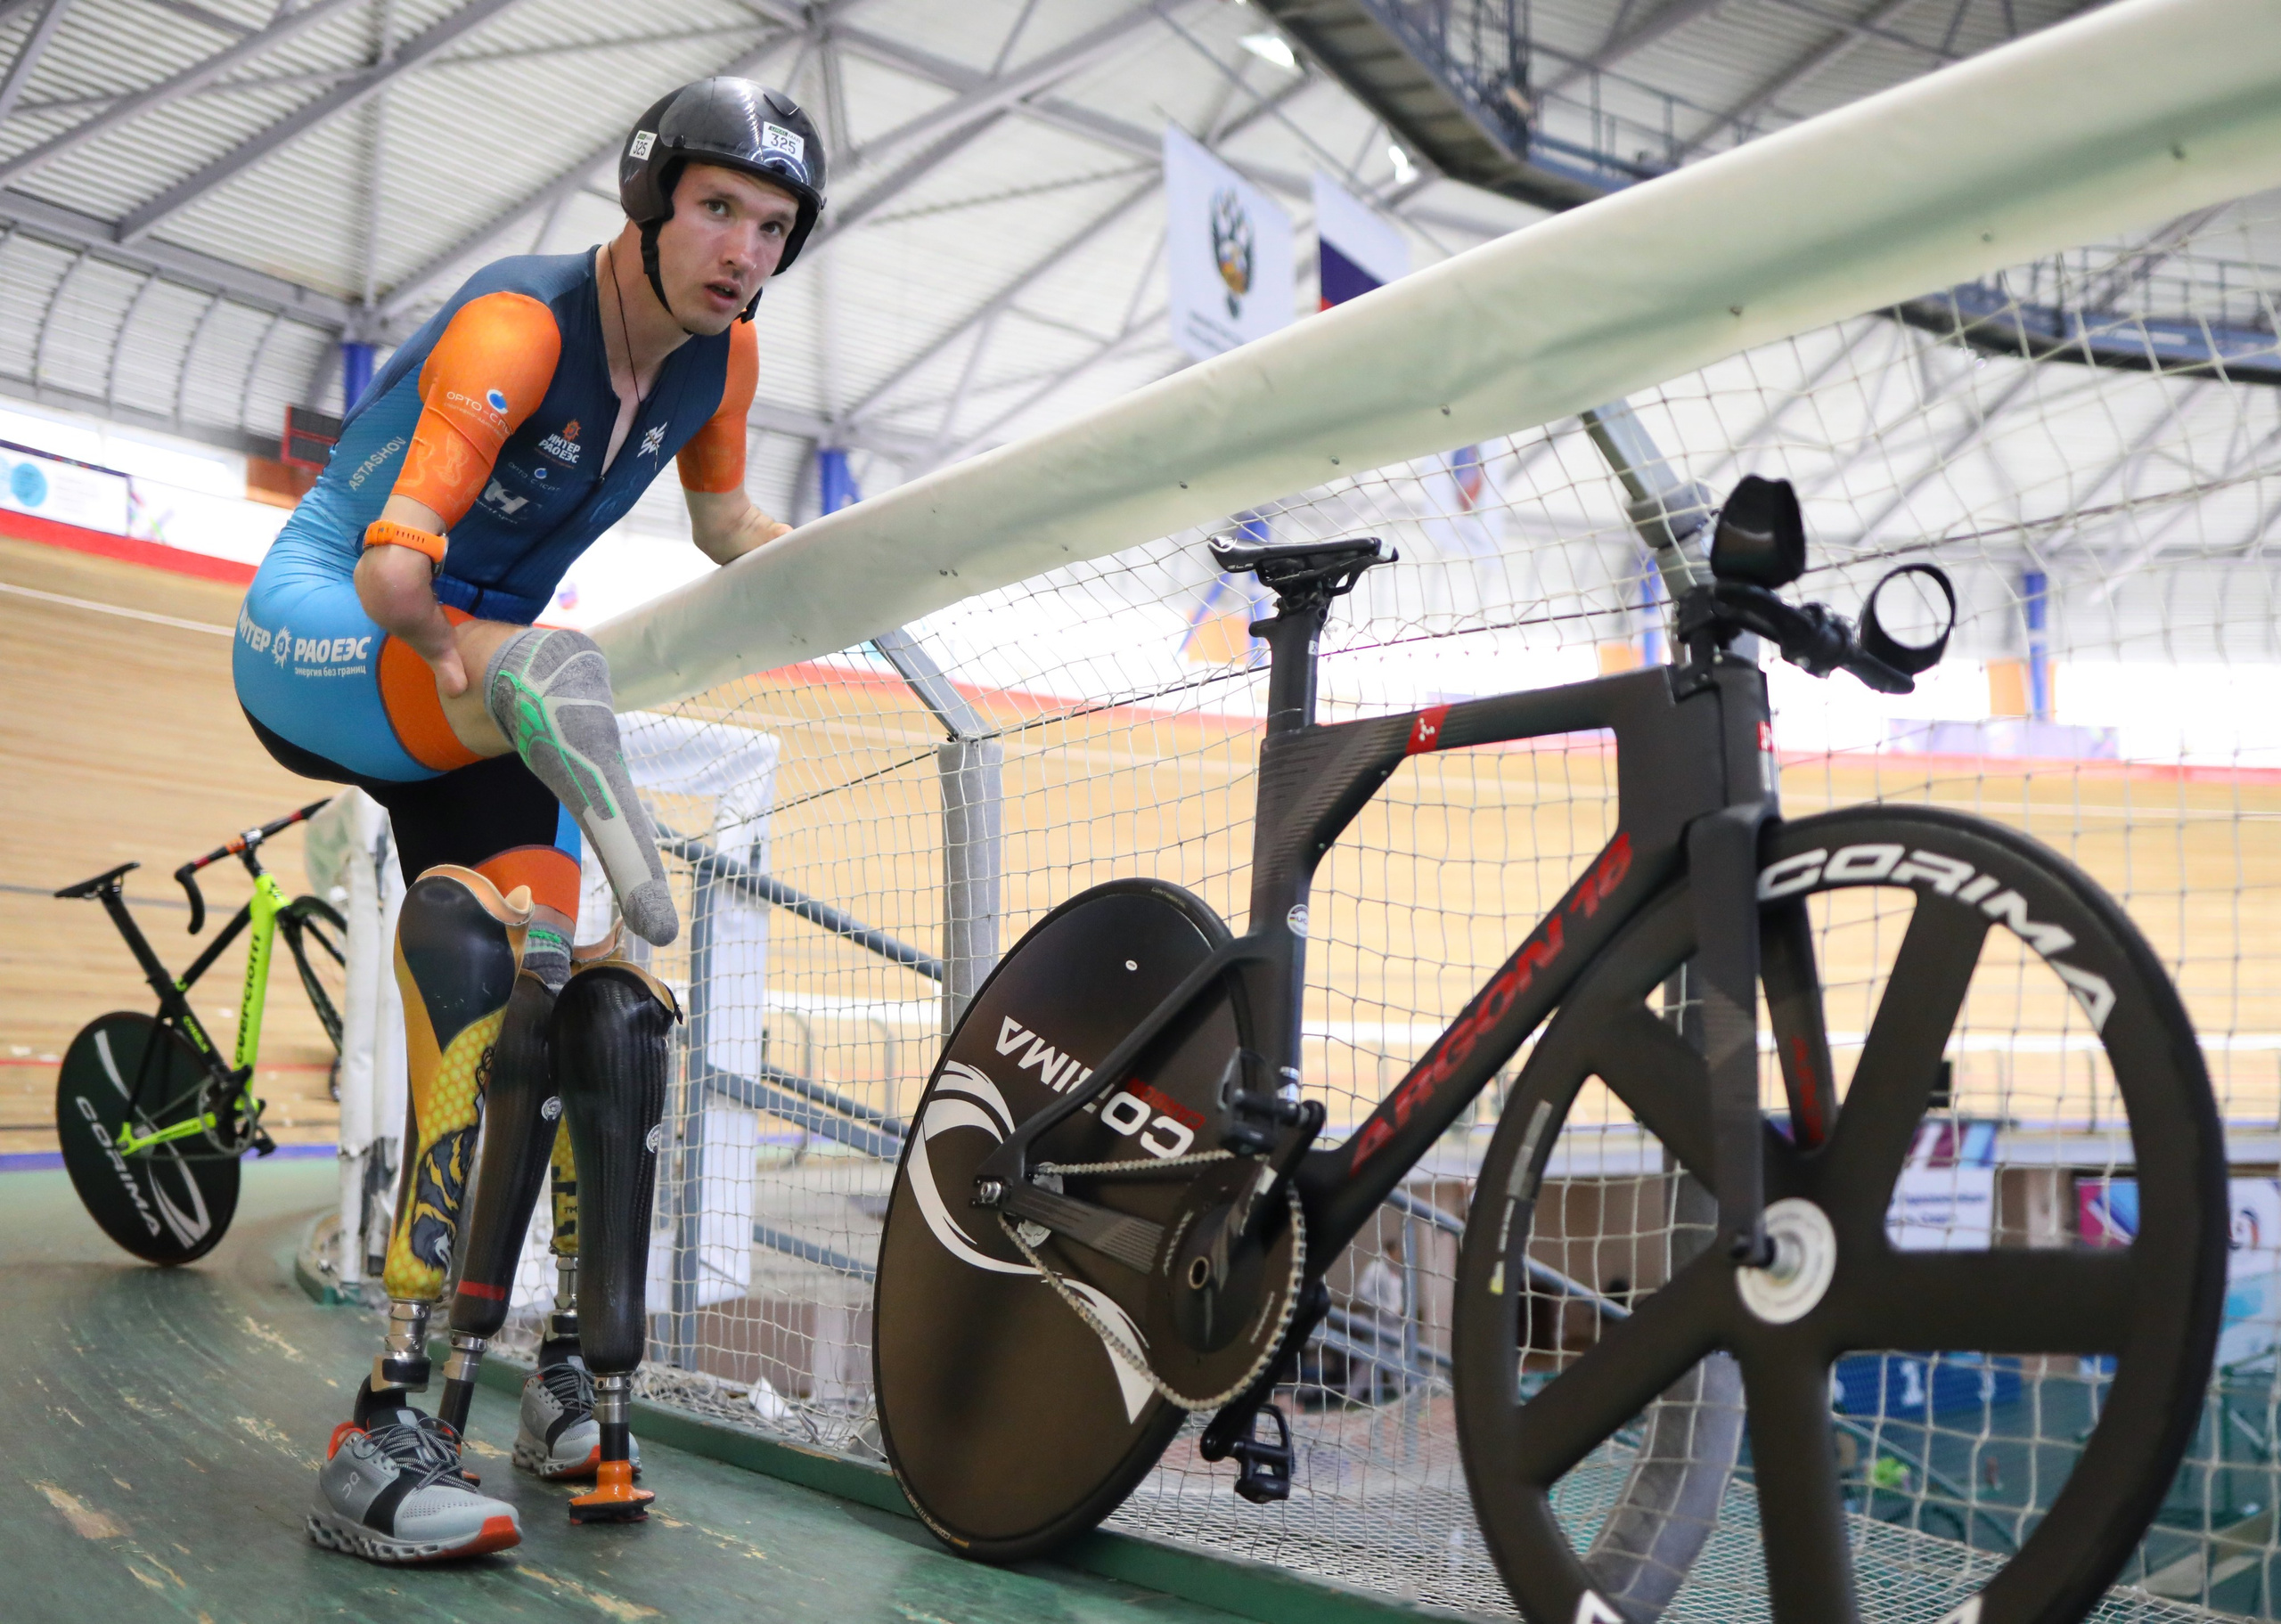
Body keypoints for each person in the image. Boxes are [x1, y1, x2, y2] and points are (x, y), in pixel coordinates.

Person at [230, 78, 826, 1563]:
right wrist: (464, 661)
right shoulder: (521, 326)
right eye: (716, 209)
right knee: (557, 676)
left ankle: (492, 1389)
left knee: (554, 1009)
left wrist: (872, 575)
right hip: (341, 638)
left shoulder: (721, 362)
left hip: (497, 694)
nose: (742, 248)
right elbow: (388, 566)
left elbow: (728, 526)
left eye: (771, 226)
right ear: (652, 200)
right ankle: (381, 1438)